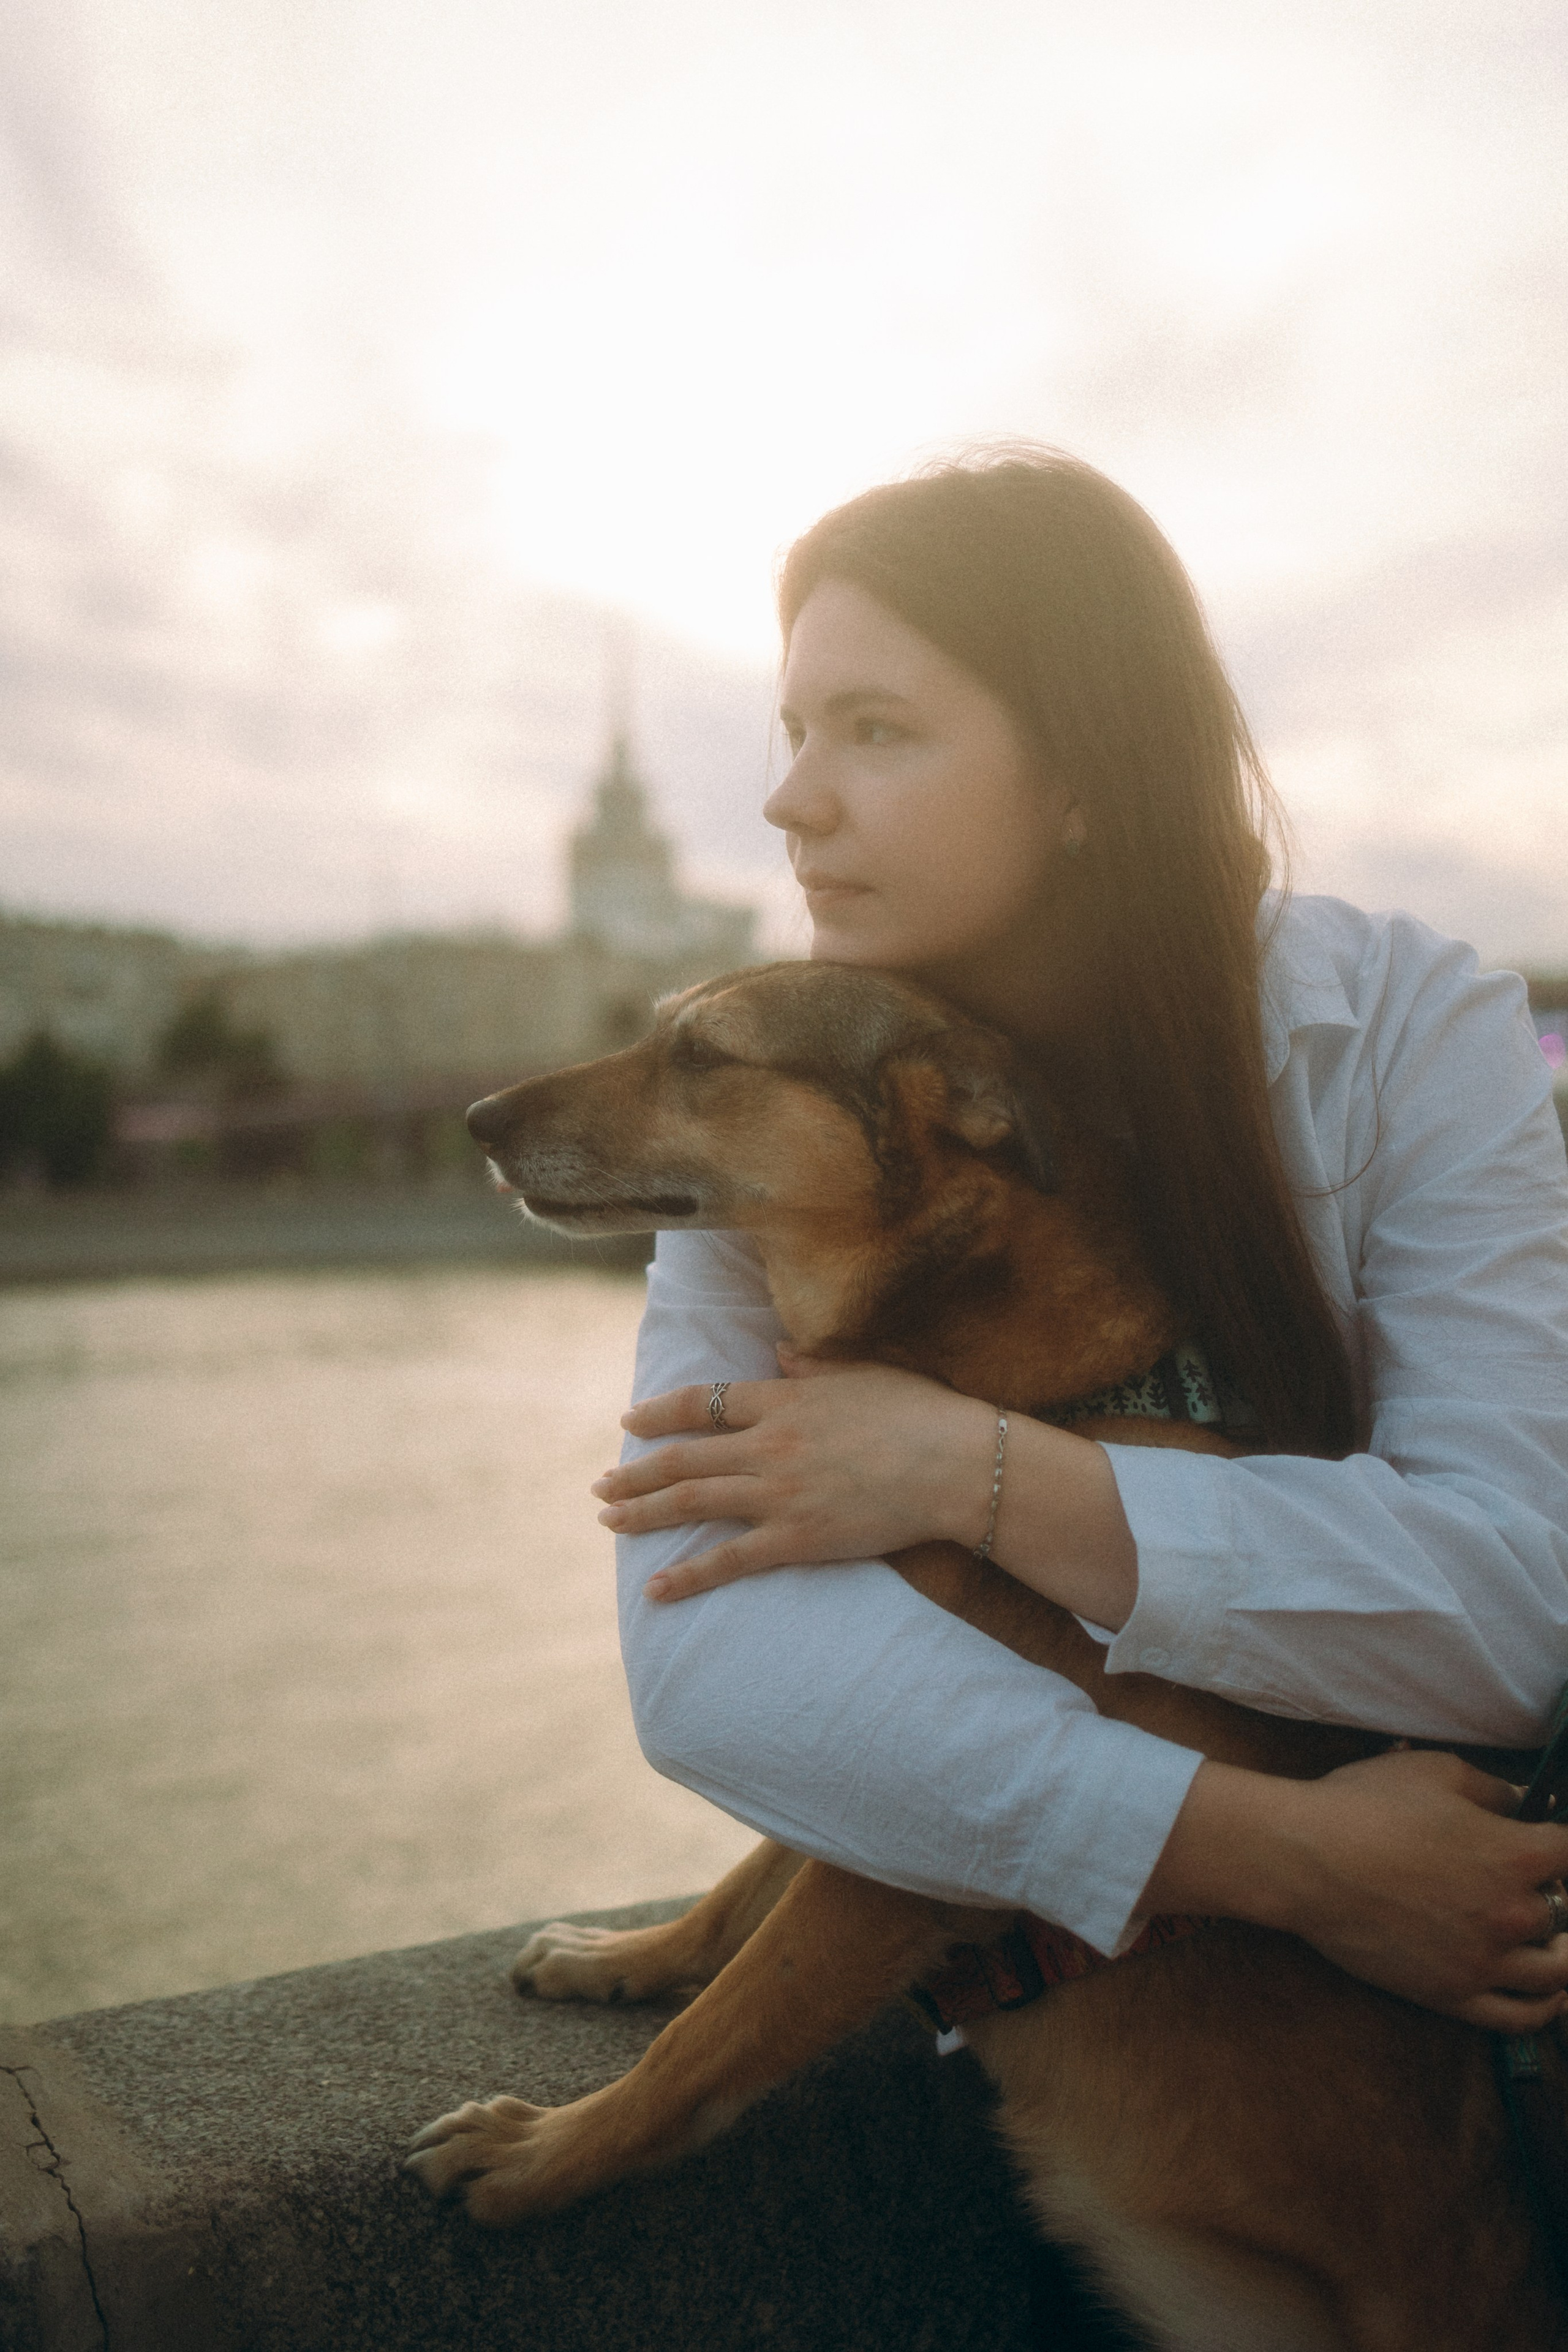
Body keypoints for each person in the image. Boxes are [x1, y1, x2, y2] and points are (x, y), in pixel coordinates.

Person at [592, 448, 1568, 2045]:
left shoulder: (1408, 1032)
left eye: (876, 730)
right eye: (796, 731)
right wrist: (1289, 1857)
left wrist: (968, 1474)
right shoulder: (782, 1097)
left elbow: (1514, 1613)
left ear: (1084, 778)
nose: (790, 799)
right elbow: (709, 1660)